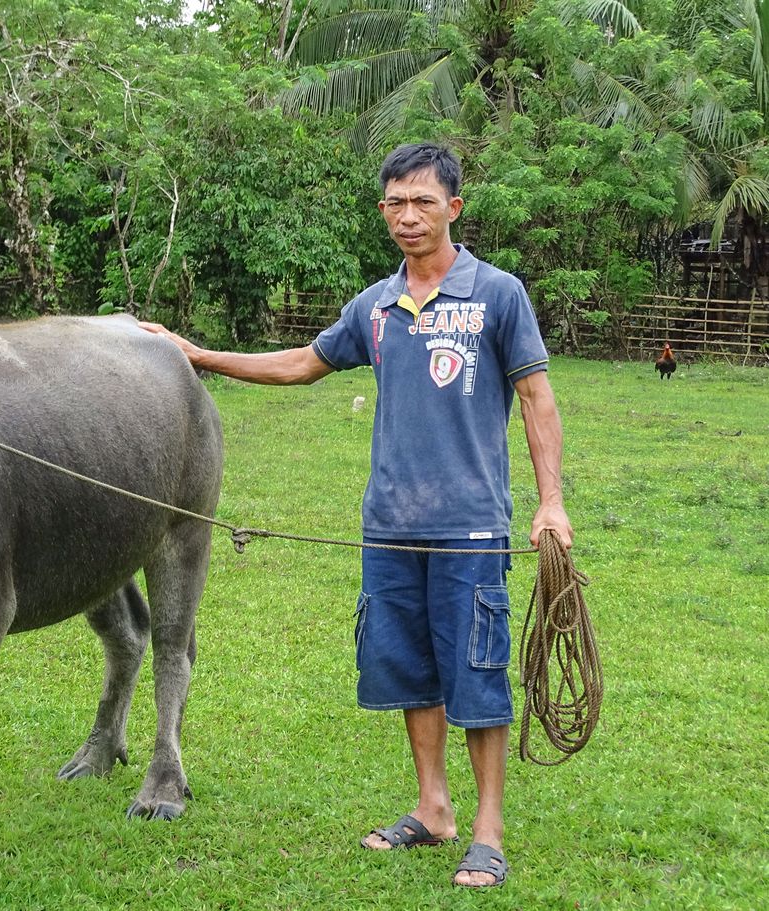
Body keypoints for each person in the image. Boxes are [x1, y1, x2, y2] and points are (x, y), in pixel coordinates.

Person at [141, 142, 572, 889]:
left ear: (454, 208)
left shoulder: (498, 294)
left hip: (469, 527)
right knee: (409, 671)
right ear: (384, 210)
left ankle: (488, 830)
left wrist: (551, 501)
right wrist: (201, 356)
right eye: (395, 204)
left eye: (424, 203)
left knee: (476, 675)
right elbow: (305, 361)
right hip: (388, 525)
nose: (409, 217)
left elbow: (536, 397)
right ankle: (433, 809)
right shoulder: (374, 305)